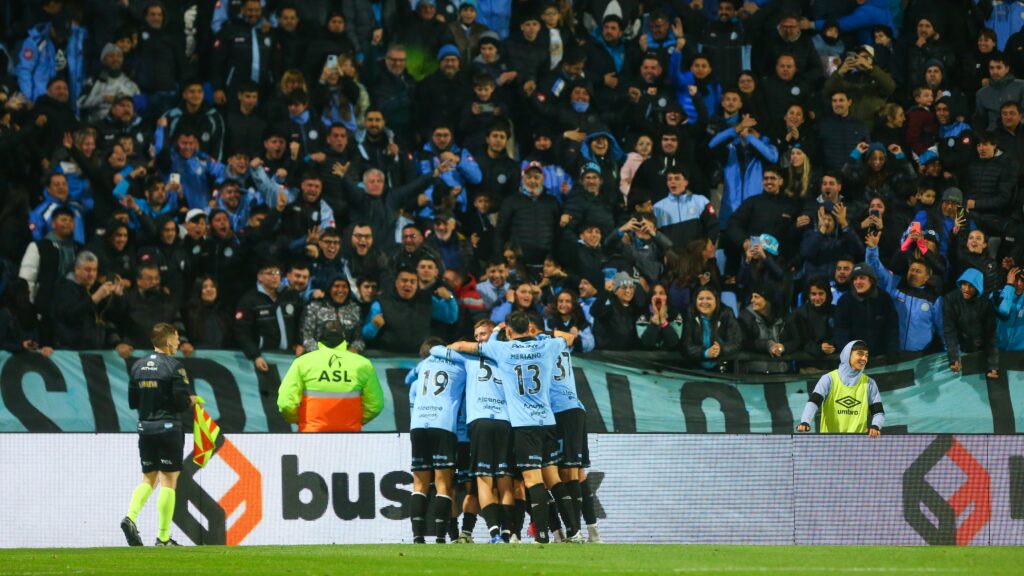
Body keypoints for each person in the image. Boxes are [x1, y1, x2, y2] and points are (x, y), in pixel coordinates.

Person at [447, 310, 581, 544]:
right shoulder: (546, 346)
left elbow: (463, 347)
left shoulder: (501, 349)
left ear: (509, 331)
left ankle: (541, 536)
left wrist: (497, 330)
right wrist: (544, 333)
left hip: (524, 425)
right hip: (547, 421)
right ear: (530, 328)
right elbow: (569, 338)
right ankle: (574, 532)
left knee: (532, 481)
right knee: (554, 479)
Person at [120, 323, 195, 547]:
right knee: (168, 482)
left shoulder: (138, 366)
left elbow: (133, 402)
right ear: (168, 340)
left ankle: (130, 517)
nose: (179, 341)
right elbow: (180, 402)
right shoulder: (175, 367)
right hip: (168, 428)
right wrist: (189, 401)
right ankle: (163, 538)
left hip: (145, 428)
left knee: (148, 478)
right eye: (177, 337)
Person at [406, 337, 469, 544]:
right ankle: (441, 537)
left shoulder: (423, 364)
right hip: (442, 424)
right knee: (443, 483)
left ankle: (417, 537)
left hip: (418, 425)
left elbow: (408, 379)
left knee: (419, 483)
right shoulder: (461, 363)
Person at [277, 320, 383, 432]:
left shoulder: (302, 362)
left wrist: (300, 420)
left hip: (311, 435)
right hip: (350, 437)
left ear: (319, 337)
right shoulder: (363, 364)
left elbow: (285, 404)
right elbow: (375, 405)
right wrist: (355, 421)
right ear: (344, 338)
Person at [796, 340, 884, 436]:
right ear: (847, 355)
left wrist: (875, 426)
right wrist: (805, 421)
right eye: (860, 354)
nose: (864, 358)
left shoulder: (870, 383)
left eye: (866, 355)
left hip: (857, 446)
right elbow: (813, 402)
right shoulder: (828, 379)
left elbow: (878, 412)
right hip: (829, 444)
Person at [943, 269, 999, 378]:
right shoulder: (950, 299)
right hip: (959, 349)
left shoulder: (986, 304)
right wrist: (953, 358)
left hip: (980, 351)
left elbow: (990, 336)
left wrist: (993, 365)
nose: (966, 289)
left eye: (971, 286)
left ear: (978, 287)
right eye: (964, 284)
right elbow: (949, 330)